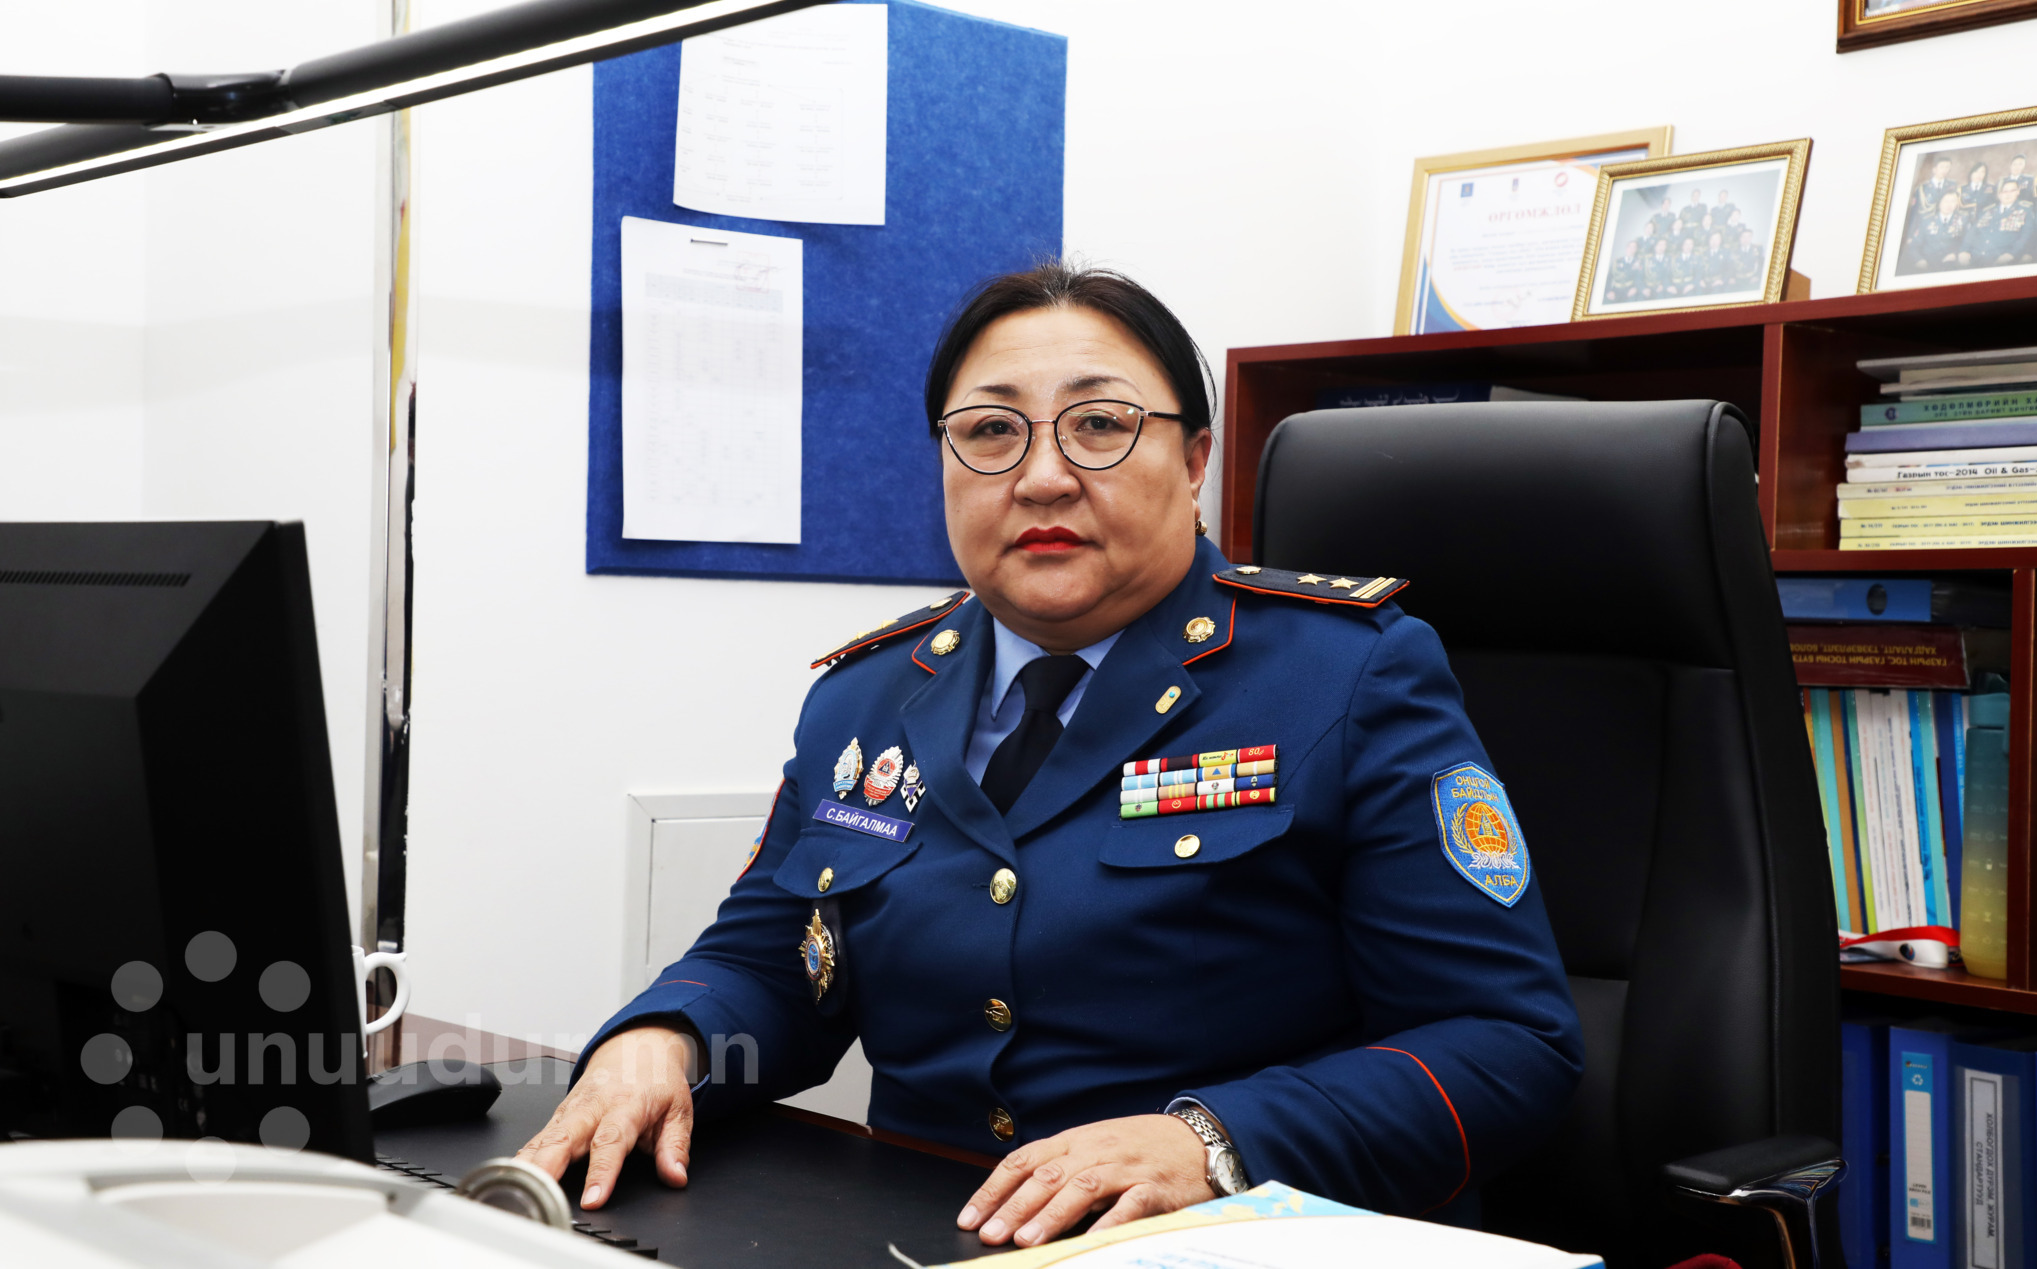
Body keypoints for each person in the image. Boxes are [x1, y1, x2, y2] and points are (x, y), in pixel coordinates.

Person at [515, 263, 1583, 1244]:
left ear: (1195, 461)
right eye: (990, 431)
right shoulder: (864, 697)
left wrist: (1213, 1143)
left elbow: (1505, 1041)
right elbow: (769, 966)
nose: (1041, 478)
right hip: (919, 1232)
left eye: (1100, 425)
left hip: (1234, 1241)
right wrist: (664, 1040)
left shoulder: (1347, 675)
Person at [1968, 177, 2035, 265]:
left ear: (2018, 192)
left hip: (2004, 258)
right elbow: (1972, 232)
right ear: (1999, 194)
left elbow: (2026, 236)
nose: (2008, 194)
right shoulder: (1987, 211)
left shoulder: (2026, 210)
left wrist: (2012, 254)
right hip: (1977, 257)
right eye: (2004, 191)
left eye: (2012, 191)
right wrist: (1964, 251)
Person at [1906, 188, 1972, 270]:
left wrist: (1956, 254)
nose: (1949, 205)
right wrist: (1919, 260)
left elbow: (1968, 243)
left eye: (1953, 201)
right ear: (1939, 202)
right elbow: (1914, 246)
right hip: (1928, 264)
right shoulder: (1927, 220)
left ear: (1957, 203)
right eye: (1946, 201)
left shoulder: (1964, 220)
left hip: (1952, 264)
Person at [1606, 237, 1644, 304]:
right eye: (1629, 247)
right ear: (1626, 248)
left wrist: (1636, 288)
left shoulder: (1639, 262)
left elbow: (1640, 278)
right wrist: (1608, 291)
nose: (1631, 249)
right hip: (1615, 290)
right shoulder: (1617, 261)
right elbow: (1609, 278)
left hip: (1630, 290)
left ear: (1636, 250)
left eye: (1634, 247)